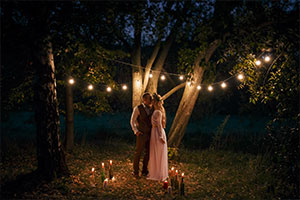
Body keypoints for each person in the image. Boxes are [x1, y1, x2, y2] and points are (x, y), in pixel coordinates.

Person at [130, 92, 153, 178]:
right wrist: (136, 131)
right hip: (141, 133)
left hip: (150, 134)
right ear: (144, 100)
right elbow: (132, 120)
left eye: (151, 98)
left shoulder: (152, 109)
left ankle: (144, 170)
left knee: (148, 153)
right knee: (138, 152)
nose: (150, 100)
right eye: (149, 98)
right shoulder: (138, 108)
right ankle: (135, 171)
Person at [147, 93, 168, 181]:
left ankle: (157, 172)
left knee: (156, 152)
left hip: (155, 132)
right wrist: (160, 136)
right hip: (156, 132)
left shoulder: (156, 112)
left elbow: (159, 125)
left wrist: (159, 136)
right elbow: (159, 125)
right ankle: (158, 173)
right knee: (157, 152)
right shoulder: (157, 112)